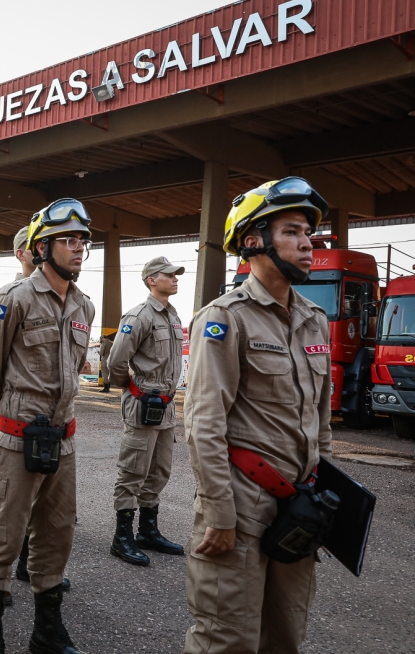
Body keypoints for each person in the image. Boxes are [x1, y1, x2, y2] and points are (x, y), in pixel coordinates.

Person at [183, 178, 332, 654]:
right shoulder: (225, 317)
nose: (308, 244)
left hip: (299, 506)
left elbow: (321, 421)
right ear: (253, 242)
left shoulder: (314, 319)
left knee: (286, 635)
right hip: (242, 507)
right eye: (291, 231)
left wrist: (324, 499)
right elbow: (204, 423)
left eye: (308, 233)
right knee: (226, 639)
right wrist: (219, 513)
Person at [0, 198, 94, 654]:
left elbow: (73, 368)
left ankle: (47, 631)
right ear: (42, 248)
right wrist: (7, 405)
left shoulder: (84, 305)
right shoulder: (14, 298)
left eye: (82, 241)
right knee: (4, 534)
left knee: (57, 532)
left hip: (63, 438)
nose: (78, 248)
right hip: (17, 435)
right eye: (68, 240)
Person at [108, 256, 186, 567]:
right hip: (143, 404)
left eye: (176, 274)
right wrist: (131, 389)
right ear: (152, 280)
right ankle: (122, 537)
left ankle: (147, 531)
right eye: (169, 275)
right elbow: (116, 360)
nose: (175, 278)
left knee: (159, 471)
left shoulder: (173, 315)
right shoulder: (139, 315)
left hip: (166, 407)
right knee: (133, 471)